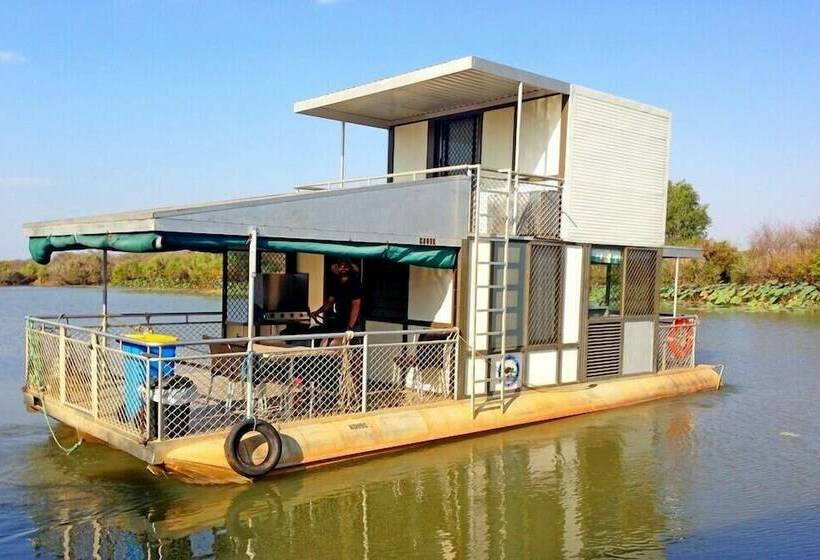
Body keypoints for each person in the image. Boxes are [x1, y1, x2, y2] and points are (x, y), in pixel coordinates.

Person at [310, 258, 363, 344]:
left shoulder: (355, 283)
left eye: (345, 266)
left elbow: (356, 306)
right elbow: (330, 302)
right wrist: (317, 312)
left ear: (350, 268)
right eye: (340, 266)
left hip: (353, 324)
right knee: (325, 343)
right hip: (338, 322)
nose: (343, 268)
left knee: (336, 345)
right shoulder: (336, 283)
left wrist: (350, 327)